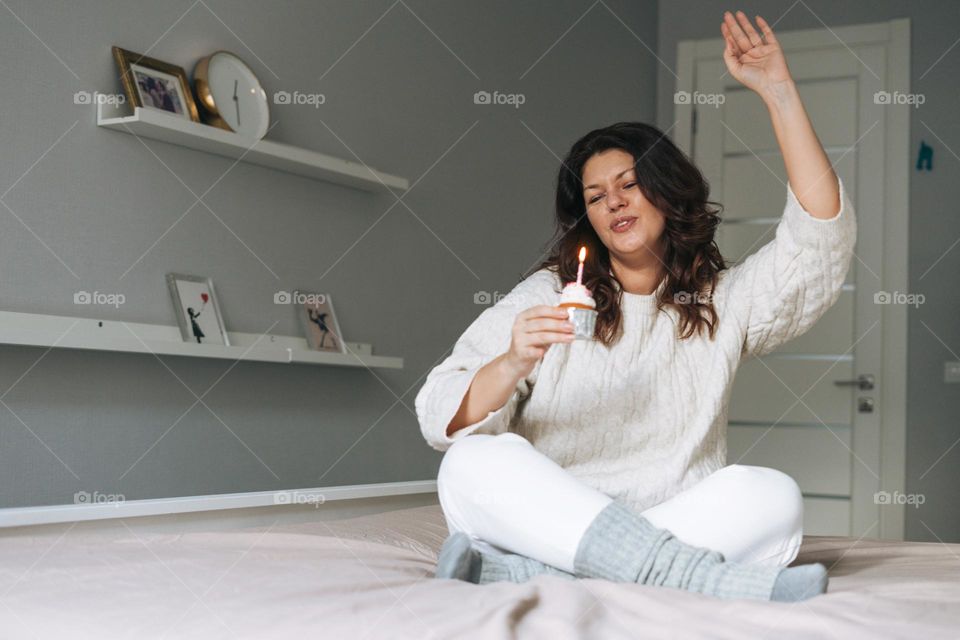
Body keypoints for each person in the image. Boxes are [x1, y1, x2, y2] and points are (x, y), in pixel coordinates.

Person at [415, 11, 856, 602]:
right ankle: (690, 576)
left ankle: (539, 578)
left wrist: (778, 93)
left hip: (664, 518)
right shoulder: (549, 294)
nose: (614, 203)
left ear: (666, 191)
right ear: (588, 219)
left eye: (629, 183)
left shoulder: (720, 302)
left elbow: (818, 239)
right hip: (550, 523)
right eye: (597, 197)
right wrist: (513, 361)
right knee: (470, 467)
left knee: (772, 495)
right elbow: (438, 410)